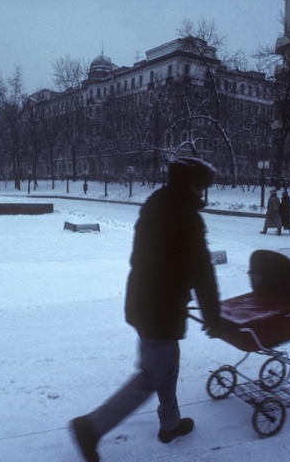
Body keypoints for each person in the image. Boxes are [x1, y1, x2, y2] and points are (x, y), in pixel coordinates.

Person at [70, 157, 221, 462]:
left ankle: (170, 423)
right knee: (151, 375)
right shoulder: (186, 217)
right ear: (190, 185)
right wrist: (213, 316)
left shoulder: (157, 203)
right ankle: (91, 427)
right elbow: (201, 271)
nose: (203, 194)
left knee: (168, 365)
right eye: (201, 187)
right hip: (160, 309)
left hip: (143, 300)